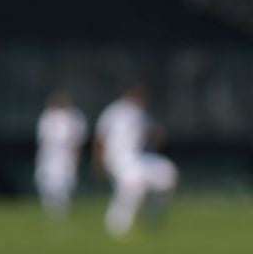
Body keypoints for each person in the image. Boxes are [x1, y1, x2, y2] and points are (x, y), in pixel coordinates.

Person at [94, 85, 178, 237]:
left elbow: (152, 136)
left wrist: (156, 136)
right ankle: (117, 226)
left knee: (167, 173)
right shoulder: (115, 111)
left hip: (137, 157)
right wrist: (98, 161)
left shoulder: (141, 114)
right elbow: (101, 138)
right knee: (133, 184)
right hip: (116, 157)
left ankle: (153, 218)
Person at [34, 91, 86, 219]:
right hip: (49, 153)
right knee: (46, 181)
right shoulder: (48, 116)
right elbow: (43, 139)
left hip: (66, 154)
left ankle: (61, 210)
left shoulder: (74, 117)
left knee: (64, 182)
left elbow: (77, 139)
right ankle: (49, 209)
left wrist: (76, 156)